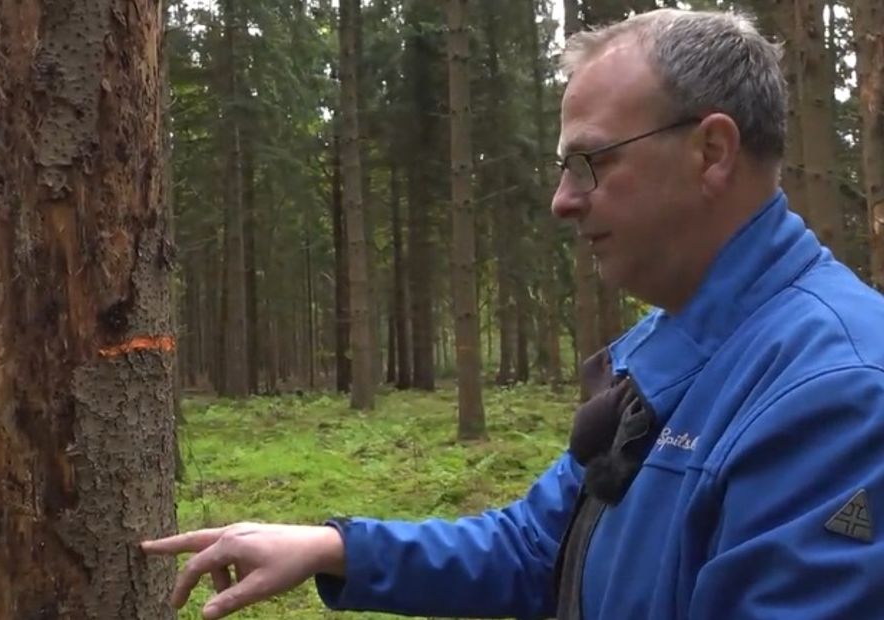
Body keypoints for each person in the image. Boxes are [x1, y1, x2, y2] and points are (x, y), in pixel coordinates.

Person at [141, 8, 884, 619]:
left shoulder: (838, 392)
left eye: (591, 161)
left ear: (711, 152)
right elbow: (539, 546)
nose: (564, 199)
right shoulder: (667, 349)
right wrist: (338, 549)